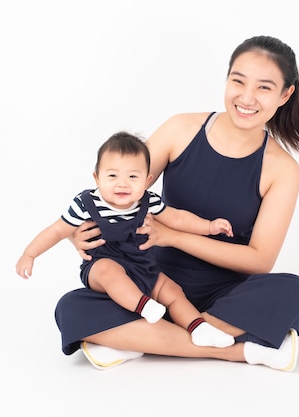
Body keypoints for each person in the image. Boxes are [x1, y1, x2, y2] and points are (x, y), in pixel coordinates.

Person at [56, 35, 299, 371]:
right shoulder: (180, 128)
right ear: (226, 80)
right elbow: (116, 193)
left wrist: (174, 236)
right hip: (150, 281)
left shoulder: (282, 169)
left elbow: (259, 261)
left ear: (285, 94)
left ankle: (138, 340)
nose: (247, 97)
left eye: (264, 88)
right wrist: (75, 233)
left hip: (224, 293)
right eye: (238, 81)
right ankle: (233, 349)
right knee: (71, 307)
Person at [16, 132, 236, 357]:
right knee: (109, 271)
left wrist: (209, 226)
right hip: (100, 267)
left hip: (142, 268)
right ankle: (144, 307)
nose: (122, 184)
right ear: (97, 178)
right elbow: (57, 230)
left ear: (147, 180)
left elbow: (177, 218)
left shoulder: (148, 201)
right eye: (112, 175)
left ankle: (198, 327)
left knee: (172, 290)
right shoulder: (86, 204)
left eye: (133, 177)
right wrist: (29, 253)